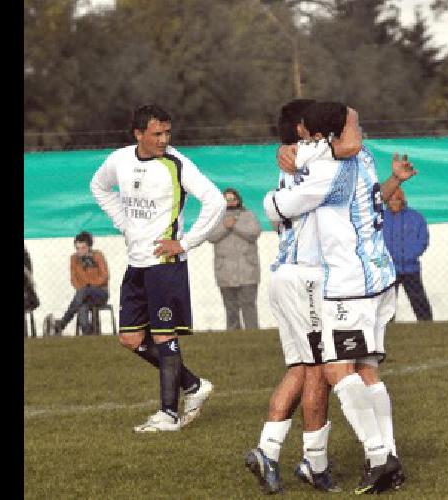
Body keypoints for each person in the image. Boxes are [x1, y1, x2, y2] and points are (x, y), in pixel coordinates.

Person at [264, 101, 415, 494]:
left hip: (350, 284)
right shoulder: (362, 156)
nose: (358, 129)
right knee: (367, 371)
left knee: (334, 370)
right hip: (379, 276)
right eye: (353, 123)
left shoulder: (327, 168)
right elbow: (362, 183)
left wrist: (283, 182)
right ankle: (389, 459)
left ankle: (380, 457)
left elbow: (278, 208)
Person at [89, 104, 220, 432]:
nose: (163, 139)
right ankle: (192, 385)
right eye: (156, 133)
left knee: (163, 336)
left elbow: (215, 201)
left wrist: (185, 243)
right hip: (136, 264)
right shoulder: (119, 160)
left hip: (166, 265)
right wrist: (124, 224)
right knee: (131, 339)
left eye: (167, 133)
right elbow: (99, 187)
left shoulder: (175, 164)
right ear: (138, 134)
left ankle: (168, 414)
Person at [244, 99, 340, 494]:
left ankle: (269, 449)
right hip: (307, 278)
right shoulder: (316, 159)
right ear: (303, 128)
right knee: (319, 371)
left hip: (285, 275)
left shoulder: (289, 163)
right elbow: (346, 150)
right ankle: (315, 465)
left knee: (301, 368)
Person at [206, 187, 262, 330]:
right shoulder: (216, 217)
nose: (230, 202)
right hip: (225, 271)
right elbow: (210, 236)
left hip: (247, 270)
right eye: (226, 200)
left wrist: (234, 225)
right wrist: (225, 227)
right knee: (230, 307)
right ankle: (233, 334)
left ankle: (253, 334)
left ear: (238, 200)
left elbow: (254, 233)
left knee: (248, 305)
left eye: (232, 199)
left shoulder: (248, 215)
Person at [42, 231, 110, 335]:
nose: (80, 251)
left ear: (89, 247)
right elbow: (74, 280)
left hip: (100, 293)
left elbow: (105, 276)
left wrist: (89, 285)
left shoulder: (98, 255)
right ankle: (88, 333)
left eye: (83, 248)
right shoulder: (73, 259)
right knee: (82, 305)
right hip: (83, 295)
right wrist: (83, 288)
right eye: (77, 248)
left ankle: (61, 324)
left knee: (83, 293)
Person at [382, 188, 433, 322]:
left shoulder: (415, 217)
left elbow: (423, 239)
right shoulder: (380, 218)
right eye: (391, 199)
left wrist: (411, 255)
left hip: (410, 268)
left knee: (419, 300)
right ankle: (387, 328)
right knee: (387, 303)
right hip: (389, 268)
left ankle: (428, 326)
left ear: (402, 200)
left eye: (397, 199)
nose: (393, 202)